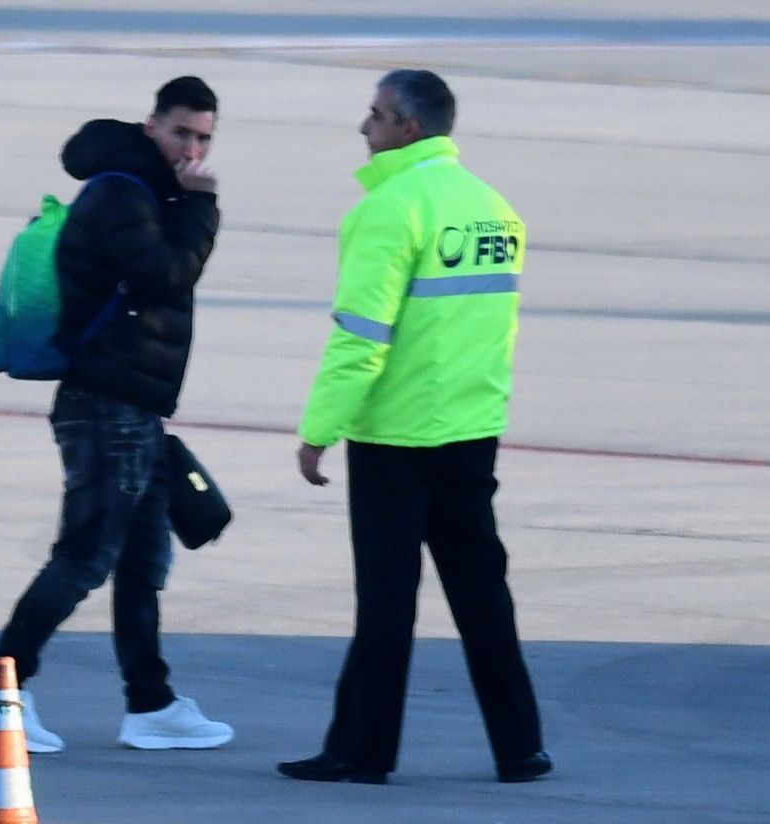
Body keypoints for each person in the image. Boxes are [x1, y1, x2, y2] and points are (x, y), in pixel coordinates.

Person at [277, 69, 550, 785]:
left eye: (376, 115)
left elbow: (361, 337)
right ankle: (520, 747)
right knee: (483, 594)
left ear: (410, 128)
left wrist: (318, 430)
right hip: (470, 430)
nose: (364, 128)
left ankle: (362, 752)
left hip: (396, 438)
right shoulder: (495, 209)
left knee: (388, 600)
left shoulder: (390, 209)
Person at [0, 76, 233, 753]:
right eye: (181, 133)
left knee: (141, 564)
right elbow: (168, 276)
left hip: (130, 404)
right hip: (103, 405)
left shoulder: (148, 193)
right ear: (151, 127)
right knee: (84, 556)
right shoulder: (120, 194)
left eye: (203, 138)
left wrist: (186, 203)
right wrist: (202, 208)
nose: (191, 149)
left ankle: (151, 703)